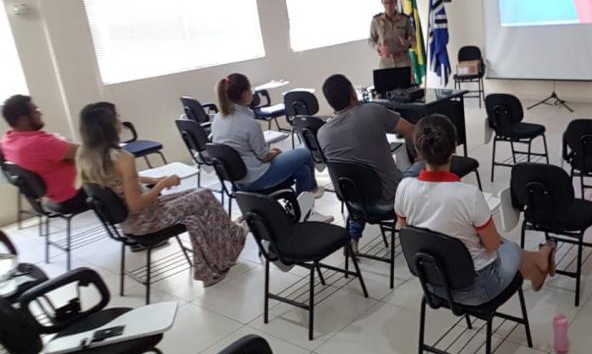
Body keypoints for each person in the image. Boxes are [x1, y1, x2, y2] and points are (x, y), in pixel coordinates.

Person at [77, 102, 245, 286]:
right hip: (146, 219)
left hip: (129, 223)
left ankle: (223, 248)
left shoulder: (86, 156)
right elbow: (135, 203)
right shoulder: (123, 158)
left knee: (201, 196)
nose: (120, 119)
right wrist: (163, 184)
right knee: (204, 195)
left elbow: (120, 181)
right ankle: (230, 242)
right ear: (107, 125)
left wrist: (152, 180)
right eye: (116, 116)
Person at [395, 114, 556, 303]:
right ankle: (538, 263)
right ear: (454, 146)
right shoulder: (468, 195)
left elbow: (406, 232)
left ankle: (539, 260)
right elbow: (492, 246)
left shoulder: (404, 187)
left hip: (432, 285)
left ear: (417, 149)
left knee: (488, 238)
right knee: (507, 246)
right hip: (478, 289)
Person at [318, 74, 423, 246]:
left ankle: (353, 237)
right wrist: (418, 157)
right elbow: (411, 130)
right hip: (391, 201)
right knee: (423, 164)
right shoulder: (372, 111)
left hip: (355, 204)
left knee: (356, 182)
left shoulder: (322, 133)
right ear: (353, 93)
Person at [210, 73, 331, 222]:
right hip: (256, 177)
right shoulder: (249, 123)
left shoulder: (218, 118)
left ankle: (303, 211)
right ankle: (310, 196)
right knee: (305, 153)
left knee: (303, 170)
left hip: (237, 180)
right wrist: (274, 153)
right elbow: (264, 156)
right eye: (250, 89)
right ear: (244, 94)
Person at [1, 95, 87, 212]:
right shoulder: (37, 143)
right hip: (74, 195)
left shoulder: (7, 141)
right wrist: (63, 146)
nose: (40, 113)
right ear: (23, 120)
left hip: (52, 196)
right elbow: (87, 151)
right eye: (36, 111)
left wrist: (64, 150)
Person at [369, 0, 416, 69]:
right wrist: (379, 47)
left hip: (403, 61)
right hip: (385, 62)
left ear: (396, 3)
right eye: (385, 3)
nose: (388, 5)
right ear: (382, 4)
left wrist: (407, 43)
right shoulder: (376, 21)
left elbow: (414, 41)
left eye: (391, 2)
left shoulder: (405, 19)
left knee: (407, 77)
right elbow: (371, 41)